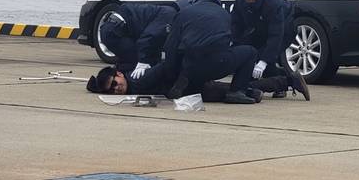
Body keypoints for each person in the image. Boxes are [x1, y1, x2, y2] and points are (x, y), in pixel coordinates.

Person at [163, 0, 258, 104]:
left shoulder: (184, 13)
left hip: (190, 66)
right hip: (218, 64)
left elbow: (170, 46)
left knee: (188, 54)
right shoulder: (224, 14)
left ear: (196, 0)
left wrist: (171, 74)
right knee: (250, 52)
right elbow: (230, 41)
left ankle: (183, 81)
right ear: (217, 1)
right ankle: (237, 91)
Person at [86, 61, 310, 102]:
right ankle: (282, 83)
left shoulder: (141, 80)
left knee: (237, 89)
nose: (116, 89)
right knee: (235, 89)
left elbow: (165, 67)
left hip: (194, 86)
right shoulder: (132, 88)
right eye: (112, 90)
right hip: (192, 88)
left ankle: (288, 81)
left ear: (120, 75)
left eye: (115, 83)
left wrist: (179, 86)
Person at [231, 0, 296, 96]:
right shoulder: (241, 0)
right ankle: (260, 84)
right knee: (250, 54)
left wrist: (263, 61)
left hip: (284, 30)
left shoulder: (272, 3)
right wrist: (234, 42)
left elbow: (276, 36)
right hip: (260, 28)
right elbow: (236, 23)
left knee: (264, 57)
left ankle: (285, 83)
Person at [99, 0, 189, 79]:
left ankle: (117, 75)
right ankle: (124, 80)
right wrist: (143, 61)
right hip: (114, 31)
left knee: (145, 60)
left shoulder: (165, 13)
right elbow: (147, 38)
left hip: (114, 28)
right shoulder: (169, 16)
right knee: (139, 62)